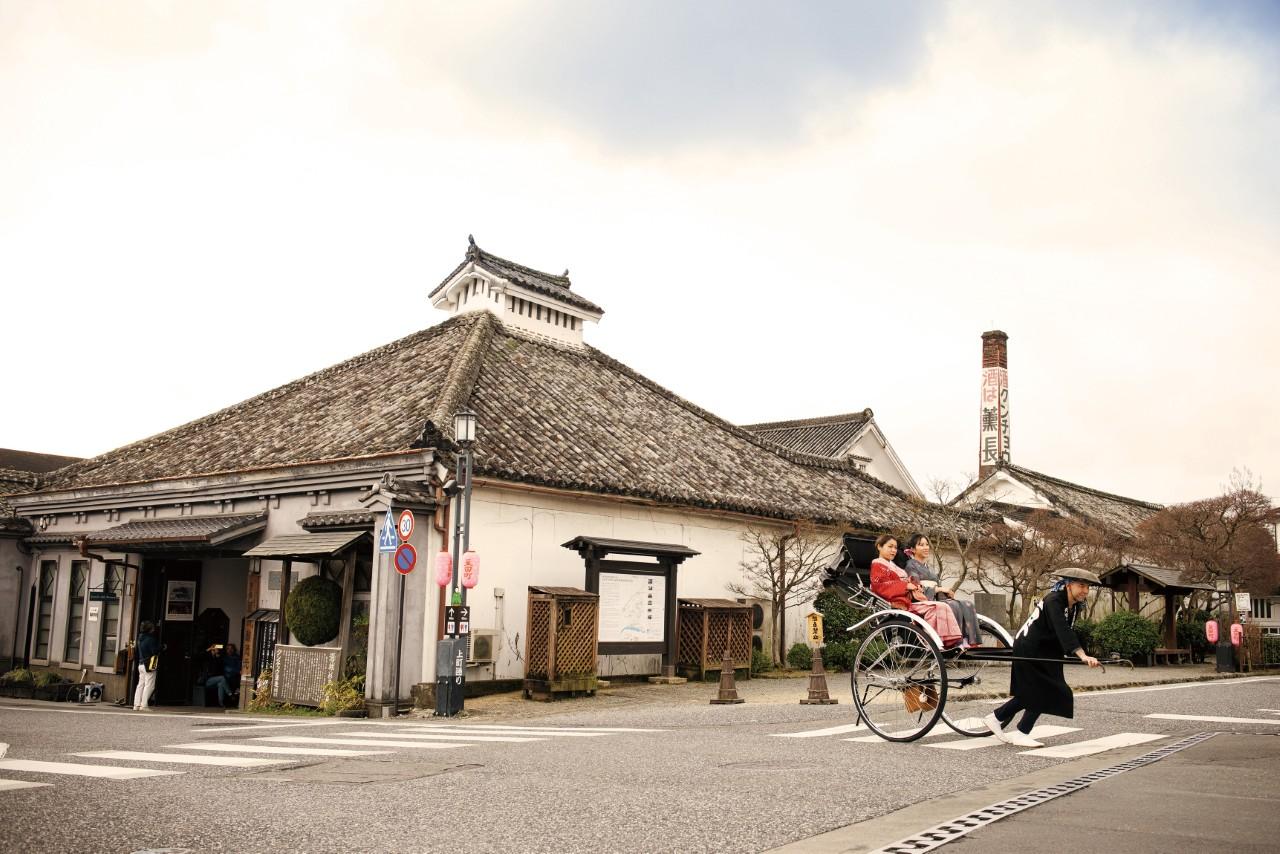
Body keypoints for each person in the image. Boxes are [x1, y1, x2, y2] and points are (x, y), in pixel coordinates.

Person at [985, 567, 1102, 747]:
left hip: (1047, 650)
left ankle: (997, 718)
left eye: (1088, 587)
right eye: (1081, 586)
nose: (1085, 591)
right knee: (1042, 690)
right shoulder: (1054, 600)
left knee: (1041, 690)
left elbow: (1068, 631)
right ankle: (1018, 730)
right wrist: (1081, 654)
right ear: (1068, 585)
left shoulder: (1075, 605)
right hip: (1030, 648)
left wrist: (1085, 654)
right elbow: (1061, 629)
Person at [869, 534, 964, 648]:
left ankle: (948, 640)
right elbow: (879, 586)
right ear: (879, 547)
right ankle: (937, 641)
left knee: (942, 606)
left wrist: (914, 584)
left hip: (908, 601)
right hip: (897, 604)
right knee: (937, 607)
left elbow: (906, 580)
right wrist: (905, 586)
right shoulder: (878, 564)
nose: (893, 550)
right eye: (890, 547)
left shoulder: (893, 565)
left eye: (895, 547)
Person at [902, 533, 982, 646]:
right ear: (912, 550)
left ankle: (969, 640)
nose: (926, 547)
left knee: (967, 604)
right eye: (921, 545)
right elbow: (916, 588)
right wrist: (938, 589)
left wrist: (946, 594)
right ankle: (956, 641)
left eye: (927, 544)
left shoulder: (929, 567)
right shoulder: (910, 566)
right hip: (922, 600)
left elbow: (938, 587)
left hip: (935, 598)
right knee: (952, 605)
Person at [133, 621, 160, 711]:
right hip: (149, 663)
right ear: (150, 629)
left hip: (140, 663)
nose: (154, 629)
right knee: (150, 685)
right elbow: (154, 651)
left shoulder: (140, 638)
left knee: (140, 684)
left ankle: (136, 705)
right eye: (152, 628)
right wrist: (162, 647)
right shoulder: (151, 639)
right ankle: (144, 705)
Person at [204, 643, 242, 708]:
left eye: (217, 649)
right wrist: (210, 649)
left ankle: (221, 703)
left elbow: (221, 665)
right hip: (209, 679)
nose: (216, 650)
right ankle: (230, 695)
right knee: (222, 678)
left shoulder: (220, 658)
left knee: (221, 684)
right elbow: (202, 655)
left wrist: (217, 655)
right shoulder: (209, 658)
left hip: (221, 679)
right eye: (215, 649)